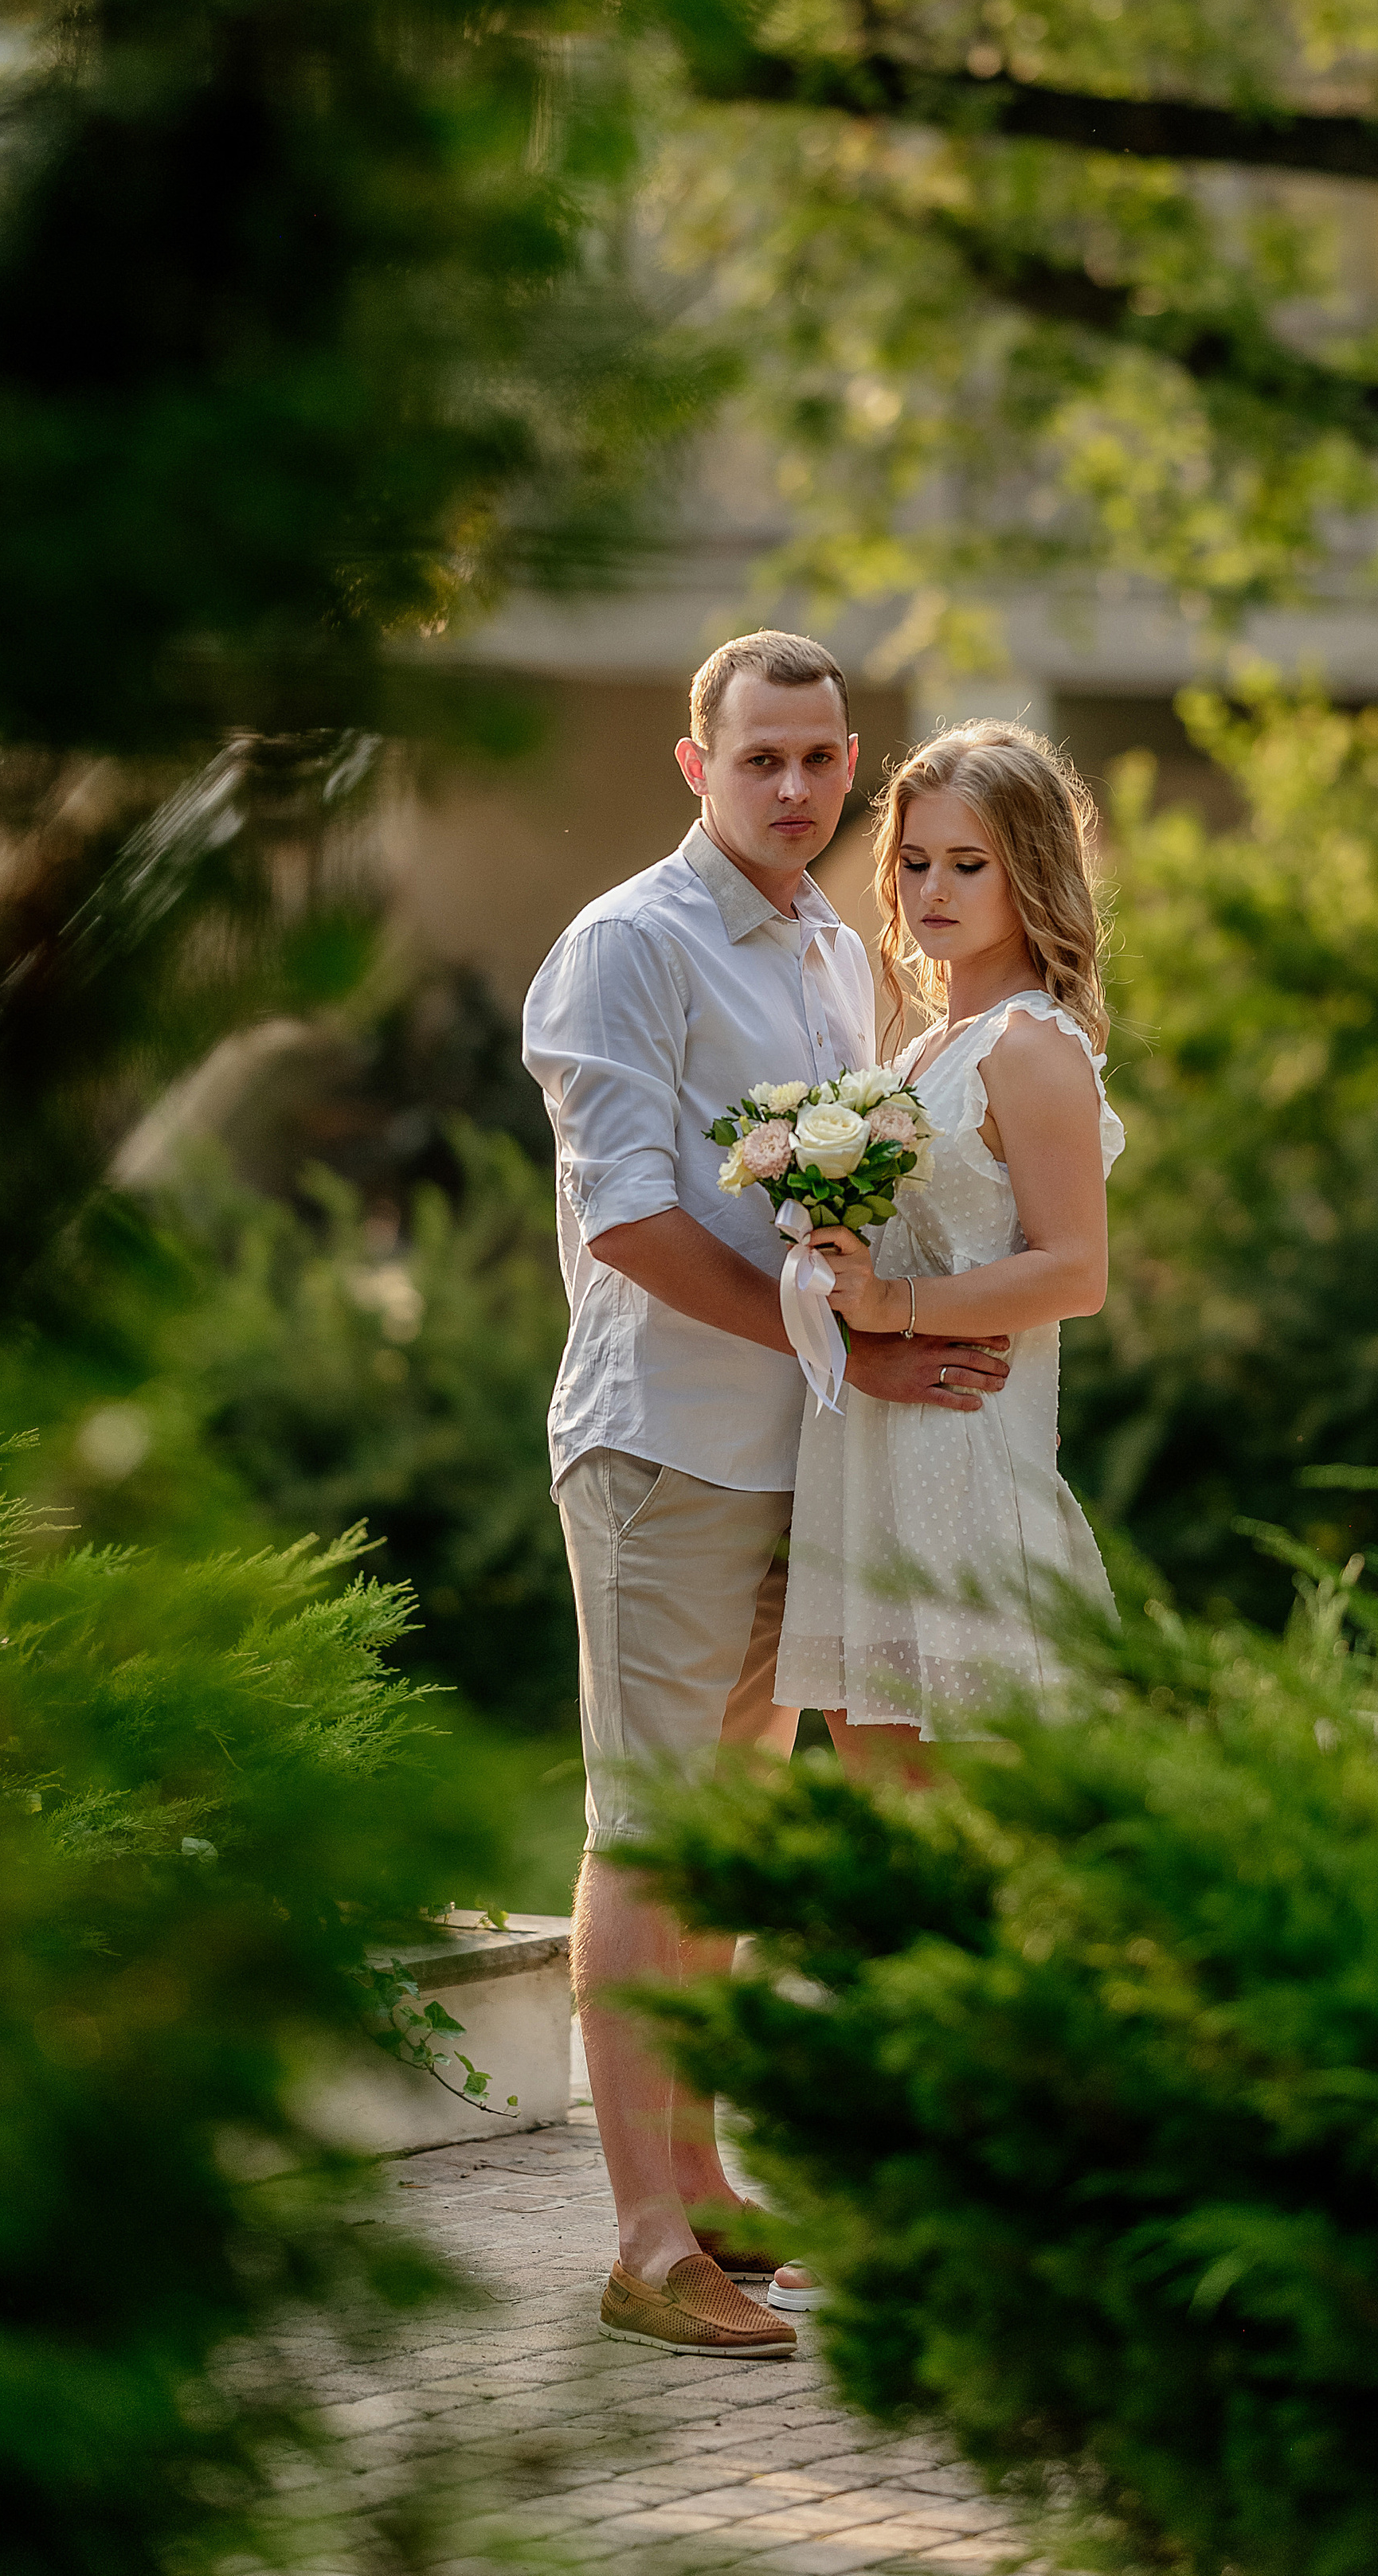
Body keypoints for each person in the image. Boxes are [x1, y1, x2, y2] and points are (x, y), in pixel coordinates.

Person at [521, 631, 1013, 2358]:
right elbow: (630, 1225)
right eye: (760, 759)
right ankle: (643, 2244)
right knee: (648, 1831)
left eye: (819, 759)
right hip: (662, 1451)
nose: (794, 788)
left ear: (849, 763)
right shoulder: (625, 945)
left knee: (725, 1835)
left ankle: (707, 2188)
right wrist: (852, 1356)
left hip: (800, 1455)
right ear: (696, 766)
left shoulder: (834, 945)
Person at [776, 717, 1122, 1759]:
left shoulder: (1032, 1045)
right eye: (916, 862)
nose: (934, 890)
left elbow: (1077, 1271)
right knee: (881, 1797)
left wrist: (893, 1305)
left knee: (974, 1807)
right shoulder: (925, 1051)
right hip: (870, 1452)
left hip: (964, 1457)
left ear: (1030, 872)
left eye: (968, 865)